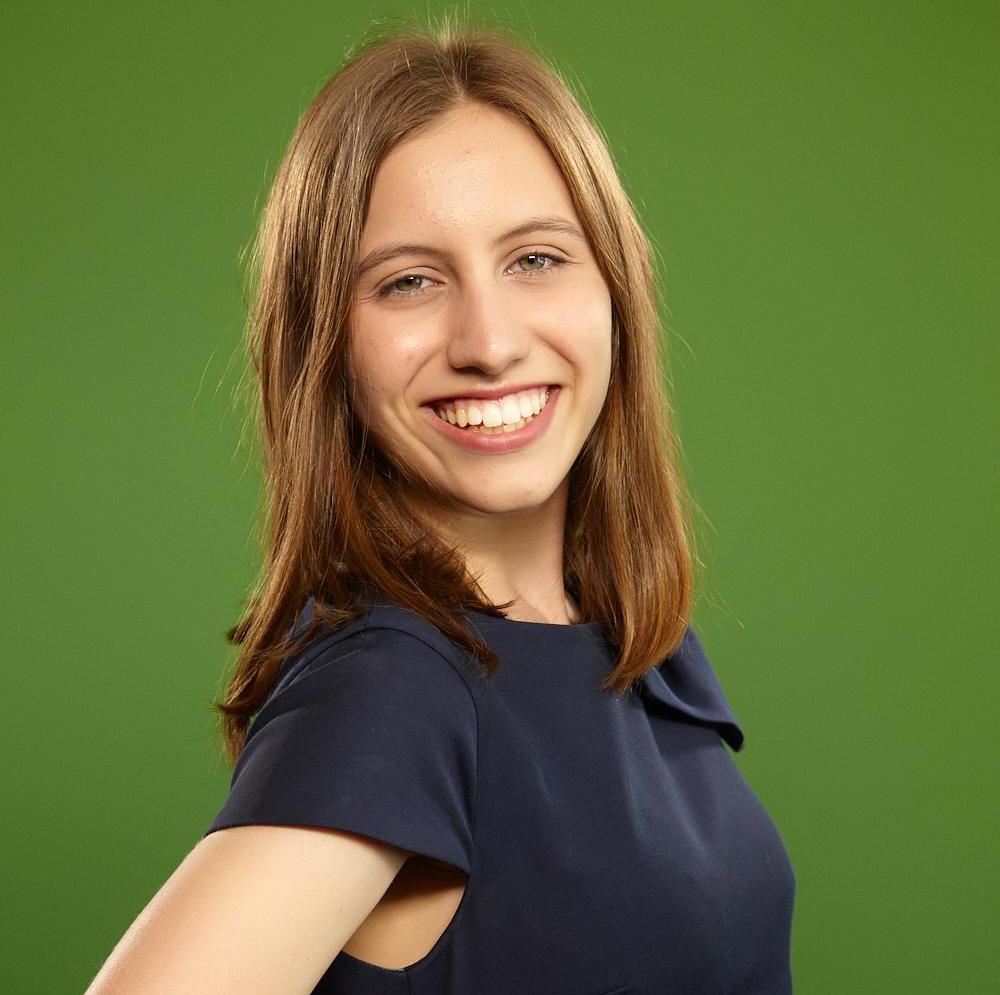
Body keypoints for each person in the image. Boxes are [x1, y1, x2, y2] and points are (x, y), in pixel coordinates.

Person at [86, 13, 796, 995]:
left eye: (535, 259)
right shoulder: (395, 685)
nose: (489, 342)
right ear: (326, 341)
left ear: (615, 289)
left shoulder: (617, 636)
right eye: (409, 281)